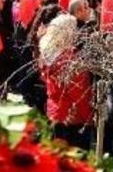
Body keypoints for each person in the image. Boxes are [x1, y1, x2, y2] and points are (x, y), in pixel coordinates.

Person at [38, 14, 93, 150]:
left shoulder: (48, 53)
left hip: (55, 112)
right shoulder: (70, 60)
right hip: (72, 117)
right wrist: (89, 117)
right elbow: (79, 94)